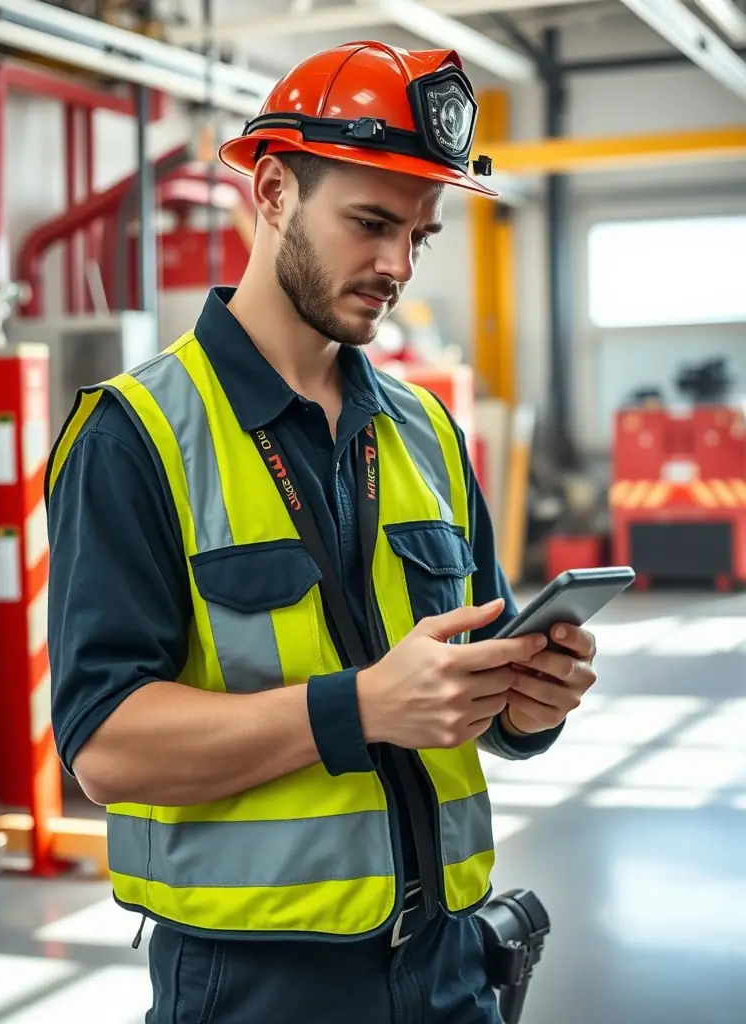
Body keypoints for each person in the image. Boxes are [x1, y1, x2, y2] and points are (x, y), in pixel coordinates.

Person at [45, 39, 598, 1024]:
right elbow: (106, 747)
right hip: (256, 985)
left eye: (420, 234)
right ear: (270, 192)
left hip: (453, 965)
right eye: (371, 223)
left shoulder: (425, 431)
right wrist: (360, 708)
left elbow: (481, 686)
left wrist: (532, 700)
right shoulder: (135, 435)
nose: (396, 265)